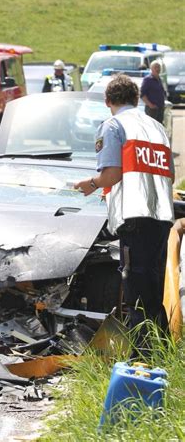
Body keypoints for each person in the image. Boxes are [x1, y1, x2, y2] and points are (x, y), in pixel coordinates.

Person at [74, 74, 174, 354]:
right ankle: (161, 352)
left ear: (108, 101)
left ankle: (141, 359)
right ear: (136, 99)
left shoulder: (113, 125)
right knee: (153, 288)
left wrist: (90, 185)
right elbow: (169, 175)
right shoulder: (156, 127)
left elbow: (112, 174)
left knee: (135, 292)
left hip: (134, 216)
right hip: (161, 217)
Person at [140, 60, 166, 124]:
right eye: (156, 67)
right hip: (151, 110)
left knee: (159, 128)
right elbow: (142, 94)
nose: (158, 69)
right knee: (151, 128)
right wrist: (150, 105)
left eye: (159, 67)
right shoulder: (148, 79)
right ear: (151, 68)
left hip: (160, 109)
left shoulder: (159, 79)